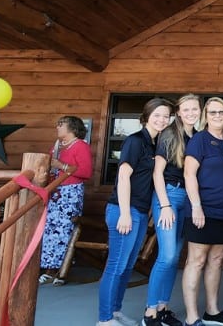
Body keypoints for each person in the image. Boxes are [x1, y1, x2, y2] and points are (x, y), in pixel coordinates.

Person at [98, 97, 174, 326]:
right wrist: (124, 213)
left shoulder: (155, 143)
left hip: (140, 211)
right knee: (116, 266)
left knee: (128, 265)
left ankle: (116, 311)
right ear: (146, 116)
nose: (162, 119)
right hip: (124, 210)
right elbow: (123, 176)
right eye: (157, 115)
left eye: (166, 115)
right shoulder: (135, 140)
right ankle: (105, 318)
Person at [182, 97, 223, 326]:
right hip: (202, 210)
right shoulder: (200, 140)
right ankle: (191, 316)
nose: (217, 116)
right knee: (196, 261)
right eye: (213, 112)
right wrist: (196, 206)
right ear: (206, 116)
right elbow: (189, 174)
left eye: (222, 112)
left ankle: (212, 311)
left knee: (216, 260)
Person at [143, 94, 201, 326]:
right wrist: (165, 204)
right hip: (169, 195)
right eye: (185, 109)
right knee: (166, 256)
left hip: (187, 198)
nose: (190, 113)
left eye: (194, 109)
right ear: (179, 112)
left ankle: (163, 307)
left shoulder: (197, 136)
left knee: (175, 256)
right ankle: (149, 313)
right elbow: (157, 173)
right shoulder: (169, 134)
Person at [39, 116, 94, 286]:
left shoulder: (81, 146)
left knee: (64, 229)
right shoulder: (56, 146)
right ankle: (48, 268)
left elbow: (86, 172)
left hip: (70, 193)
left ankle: (59, 268)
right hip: (55, 191)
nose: (57, 127)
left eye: (61, 125)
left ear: (72, 128)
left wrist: (60, 165)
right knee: (50, 230)